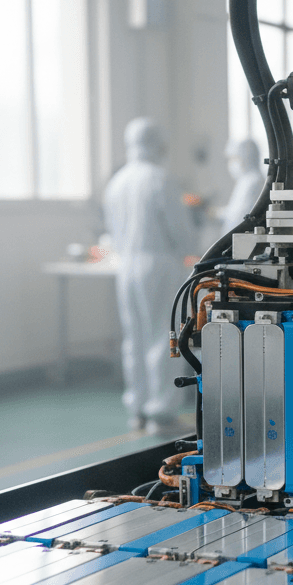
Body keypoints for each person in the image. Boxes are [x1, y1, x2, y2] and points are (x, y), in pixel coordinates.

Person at [103, 118, 193, 434]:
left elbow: (112, 229)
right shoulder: (160, 178)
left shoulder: (117, 182)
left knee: (135, 339)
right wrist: (191, 249)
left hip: (125, 265)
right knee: (162, 338)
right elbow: (180, 230)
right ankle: (161, 414)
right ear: (157, 143)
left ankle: (137, 409)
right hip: (159, 264)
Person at [220, 137, 265, 234]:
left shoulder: (255, 182)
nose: (232, 163)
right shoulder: (245, 181)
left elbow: (240, 217)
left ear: (246, 157)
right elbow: (232, 213)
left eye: (235, 158)